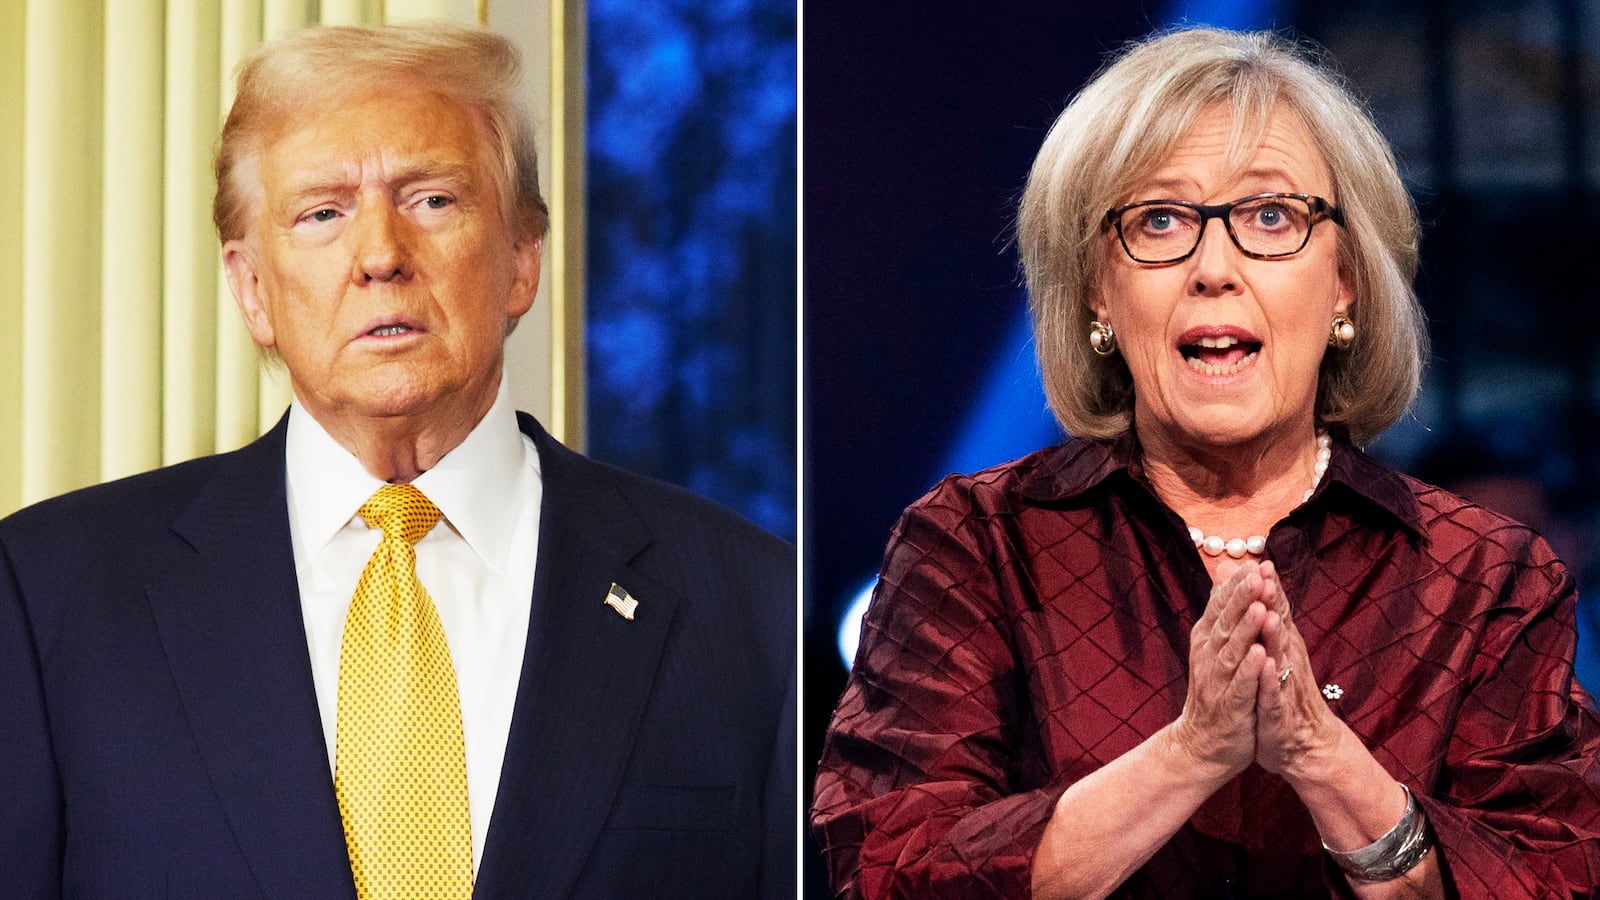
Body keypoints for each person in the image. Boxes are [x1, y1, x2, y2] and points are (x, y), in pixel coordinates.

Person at [0, 23, 794, 900]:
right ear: (253, 289)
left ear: (523, 260)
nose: (380, 255)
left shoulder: (752, 605)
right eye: (323, 213)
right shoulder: (49, 598)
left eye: (431, 200)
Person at [811, 27, 1600, 899]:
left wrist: (1323, 757)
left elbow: (1552, 877)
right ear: (1098, 295)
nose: (1213, 267)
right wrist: (1192, 752)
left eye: (1271, 216)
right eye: (1159, 221)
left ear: (1345, 283)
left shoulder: (1485, 575)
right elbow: (888, 872)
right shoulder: (974, 550)